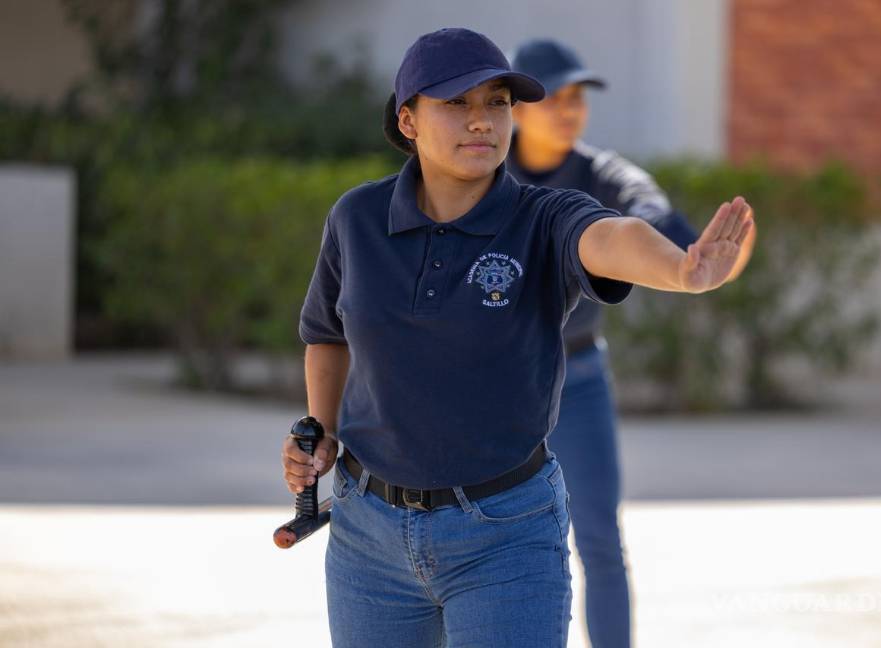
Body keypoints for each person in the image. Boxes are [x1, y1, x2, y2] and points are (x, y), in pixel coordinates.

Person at [280, 27, 754, 648]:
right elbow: (327, 335)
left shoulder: (545, 214)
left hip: (505, 536)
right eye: (457, 103)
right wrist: (323, 433)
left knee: (602, 542)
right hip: (367, 539)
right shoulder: (356, 218)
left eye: (497, 103)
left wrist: (682, 271)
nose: (482, 121)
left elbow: (611, 237)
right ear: (409, 119)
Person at [507, 38, 757, 648]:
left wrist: (695, 259)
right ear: (516, 107)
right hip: (496, 383)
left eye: (577, 98)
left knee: (598, 539)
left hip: (579, 377)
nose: (569, 111)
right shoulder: (482, 172)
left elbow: (650, 213)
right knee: (497, 544)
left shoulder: (603, 173)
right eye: (553, 98)